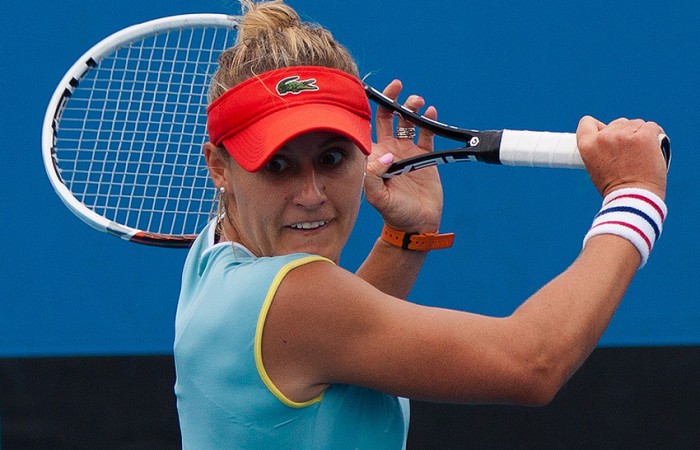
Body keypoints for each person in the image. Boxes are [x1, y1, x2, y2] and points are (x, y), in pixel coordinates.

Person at [173, 1, 668, 448]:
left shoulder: (213, 261)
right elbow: (530, 365)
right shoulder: (292, 300)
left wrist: (404, 241)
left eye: (331, 158)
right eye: (277, 164)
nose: (311, 195)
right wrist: (634, 196)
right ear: (219, 165)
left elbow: (336, 349)